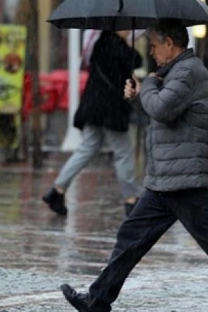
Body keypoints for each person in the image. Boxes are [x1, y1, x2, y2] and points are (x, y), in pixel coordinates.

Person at [60, 20, 208, 312]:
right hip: (166, 177)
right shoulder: (173, 73)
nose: (151, 52)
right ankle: (97, 301)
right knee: (131, 237)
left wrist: (148, 86)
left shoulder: (188, 72)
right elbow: (161, 115)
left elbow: (163, 108)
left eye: (154, 45)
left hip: (182, 177)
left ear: (170, 43)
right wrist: (140, 94)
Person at [43, 30, 144, 217]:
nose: (129, 31)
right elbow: (137, 60)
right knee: (123, 152)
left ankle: (57, 189)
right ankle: (131, 199)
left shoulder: (99, 44)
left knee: (87, 148)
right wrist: (129, 47)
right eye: (125, 28)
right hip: (110, 109)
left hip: (93, 105)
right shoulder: (118, 47)